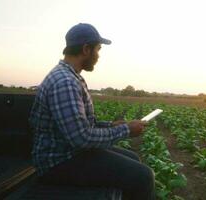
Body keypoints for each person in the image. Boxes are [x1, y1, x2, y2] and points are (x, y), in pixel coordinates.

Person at [29, 23, 155, 200]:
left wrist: (112, 125)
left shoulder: (72, 77)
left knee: (133, 157)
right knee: (143, 176)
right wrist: (126, 130)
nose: (99, 55)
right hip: (58, 162)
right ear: (86, 49)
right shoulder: (65, 82)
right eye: (98, 49)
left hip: (69, 152)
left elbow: (83, 124)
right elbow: (81, 138)